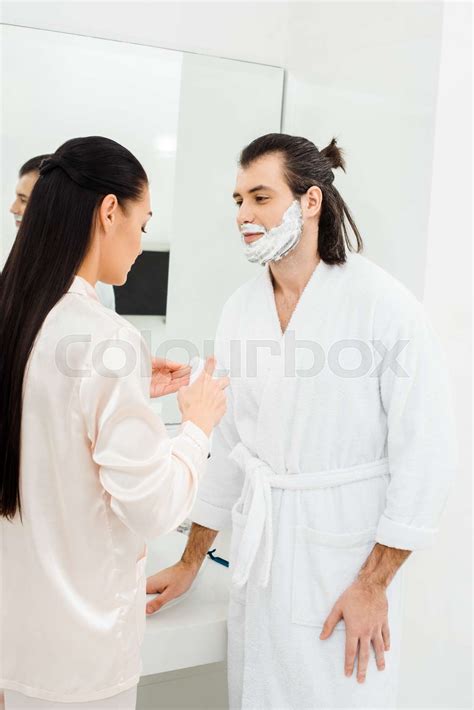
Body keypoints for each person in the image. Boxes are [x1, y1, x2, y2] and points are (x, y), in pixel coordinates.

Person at [146, 134, 457, 708]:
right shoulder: (242, 308)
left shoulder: (382, 305)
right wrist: (191, 561)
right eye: (237, 200)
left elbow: (427, 455)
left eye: (260, 197)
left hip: (343, 566)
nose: (243, 215)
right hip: (263, 569)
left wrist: (373, 586)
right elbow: (230, 448)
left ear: (309, 202)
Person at [0, 136, 229, 709]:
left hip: (15, 640)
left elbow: (43, 423)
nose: (141, 242)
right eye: (144, 222)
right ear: (109, 211)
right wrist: (196, 428)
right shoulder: (107, 338)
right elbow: (153, 508)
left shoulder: (16, 316)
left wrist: (130, 390)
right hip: (80, 658)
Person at [9, 154, 116, 309]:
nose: (13, 208)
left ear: (55, 206)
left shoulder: (87, 277)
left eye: (24, 200)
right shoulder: (25, 259)